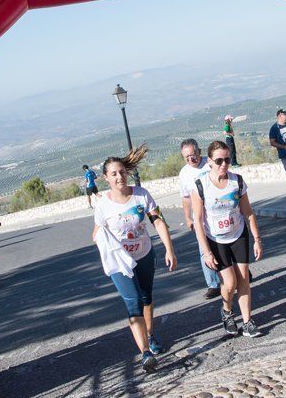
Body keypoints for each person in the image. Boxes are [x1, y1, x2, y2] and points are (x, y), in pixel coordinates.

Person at [91, 145, 178, 373]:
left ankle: (149, 336)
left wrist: (169, 249)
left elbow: (157, 221)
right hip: (121, 262)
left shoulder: (141, 195)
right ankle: (145, 354)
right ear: (106, 178)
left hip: (144, 254)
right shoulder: (103, 205)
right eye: (113, 174)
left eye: (121, 172)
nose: (119, 177)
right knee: (133, 302)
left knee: (146, 298)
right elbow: (96, 232)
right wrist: (103, 241)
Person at [191, 141, 262, 337]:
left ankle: (247, 322)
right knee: (229, 283)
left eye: (227, 159)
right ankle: (227, 311)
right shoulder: (200, 185)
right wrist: (206, 252)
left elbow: (248, 212)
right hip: (215, 238)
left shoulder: (236, 181)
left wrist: (257, 238)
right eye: (219, 160)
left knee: (243, 279)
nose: (224, 164)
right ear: (210, 162)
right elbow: (197, 221)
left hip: (238, 234)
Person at [178, 139, 222, 299]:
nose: (191, 159)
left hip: (218, 212)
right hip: (200, 217)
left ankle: (241, 272)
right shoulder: (184, 173)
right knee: (205, 251)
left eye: (193, 155)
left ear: (199, 151)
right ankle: (213, 284)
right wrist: (187, 218)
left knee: (227, 244)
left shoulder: (209, 164)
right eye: (187, 157)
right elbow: (185, 197)